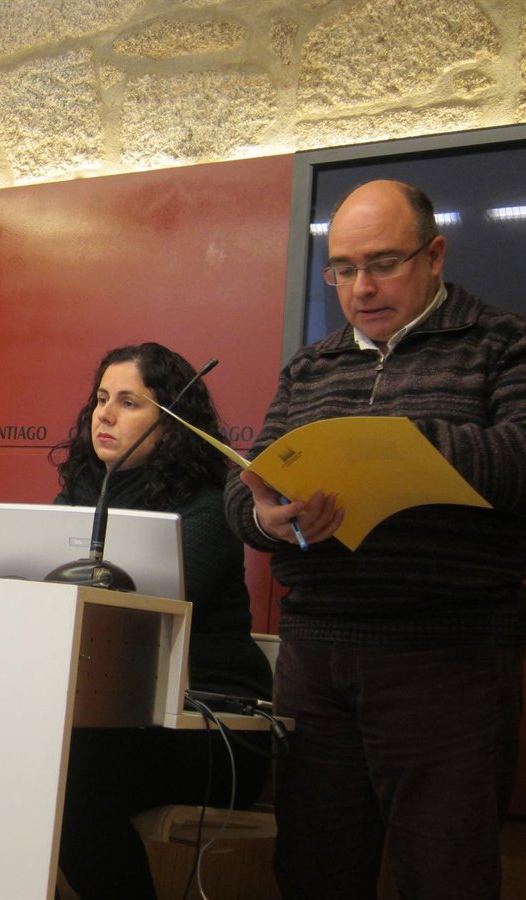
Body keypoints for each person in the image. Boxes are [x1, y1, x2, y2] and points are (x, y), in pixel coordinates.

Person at [223, 179, 526, 899]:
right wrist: (267, 518)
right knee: (313, 869)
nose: (361, 288)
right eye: (344, 269)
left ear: (435, 255)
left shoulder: (503, 343)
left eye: (384, 264)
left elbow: (519, 458)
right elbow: (248, 486)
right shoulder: (311, 365)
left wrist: (402, 446)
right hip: (315, 656)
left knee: (446, 873)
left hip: (449, 655)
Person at [52, 342, 272, 900]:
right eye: (101, 398)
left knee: (65, 774)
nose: (104, 415)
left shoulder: (208, 507)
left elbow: (131, 625)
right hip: (114, 723)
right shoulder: (80, 493)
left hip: (211, 729)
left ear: (173, 423)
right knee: (30, 756)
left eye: (128, 403)